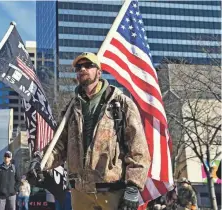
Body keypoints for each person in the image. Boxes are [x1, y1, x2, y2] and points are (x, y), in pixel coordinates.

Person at [28, 52, 151, 210]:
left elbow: (138, 147)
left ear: (99, 72)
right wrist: (39, 161)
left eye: (88, 65)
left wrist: (133, 186)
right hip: (80, 193)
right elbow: (59, 146)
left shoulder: (121, 104)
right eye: (79, 67)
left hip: (111, 191)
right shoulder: (71, 108)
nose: (82, 69)